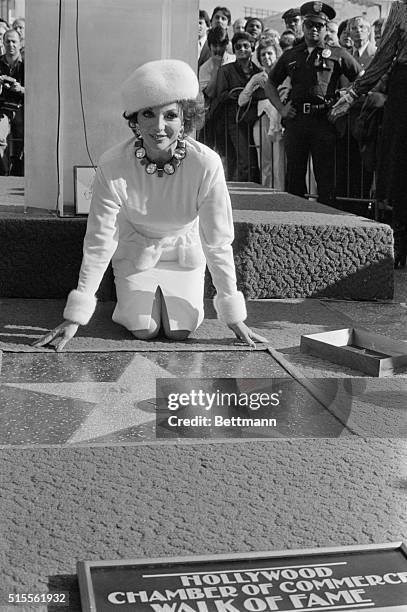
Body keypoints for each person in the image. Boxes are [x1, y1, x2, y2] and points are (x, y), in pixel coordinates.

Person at [32, 60, 267, 352]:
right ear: (135, 120)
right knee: (145, 329)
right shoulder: (112, 164)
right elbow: (100, 240)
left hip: (184, 256)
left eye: (170, 115)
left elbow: (217, 240)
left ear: (185, 120)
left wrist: (234, 316)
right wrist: (76, 317)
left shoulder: (206, 164)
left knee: (179, 331)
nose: (159, 127)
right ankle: (133, 299)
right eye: (148, 114)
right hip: (135, 253)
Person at [331, 0, 407, 267]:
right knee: (399, 166)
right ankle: (398, 240)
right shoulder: (400, 8)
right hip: (403, 88)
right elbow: (384, 55)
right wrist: (354, 92)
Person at [264, 1, 361, 206]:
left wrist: (346, 100)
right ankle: (295, 223)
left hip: (324, 121)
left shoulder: (338, 54)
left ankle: (327, 223)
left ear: (326, 28)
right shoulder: (291, 54)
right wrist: (281, 108)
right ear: (303, 26)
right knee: (295, 179)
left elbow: (361, 79)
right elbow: (269, 84)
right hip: (297, 121)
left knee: (325, 179)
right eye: (310, 25)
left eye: (319, 25)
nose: (314, 29)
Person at [214, 31, 265, 182]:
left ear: (252, 48)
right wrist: (240, 95)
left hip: (255, 120)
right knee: (245, 161)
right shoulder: (225, 70)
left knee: (257, 161)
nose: (242, 49)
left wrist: (250, 96)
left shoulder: (259, 72)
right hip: (234, 122)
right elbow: (221, 95)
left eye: (246, 46)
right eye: (238, 46)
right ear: (234, 49)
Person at [238, 38, 285, 188]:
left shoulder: (284, 75)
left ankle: (280, 193)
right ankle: (265, 192)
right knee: (264, 161)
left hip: (279, 121)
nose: (266, 57)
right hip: (261, 121)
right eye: (263, 54)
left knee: (279, 162)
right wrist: (252, 84)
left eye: (270, 53)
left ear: (276, 54)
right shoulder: (258, 77)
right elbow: (241, 101)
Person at [0, 28, 24, 175]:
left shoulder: (26, 64)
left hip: (22, 107)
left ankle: (18, 173)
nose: (11, 45)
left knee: (22, 142)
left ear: (20, 43)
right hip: (3, 108)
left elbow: (37, 91)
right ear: (3, 43)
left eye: (14, 41)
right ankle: (3, 174)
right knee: (1, 139)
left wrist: (19, 88)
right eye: (7, 41)